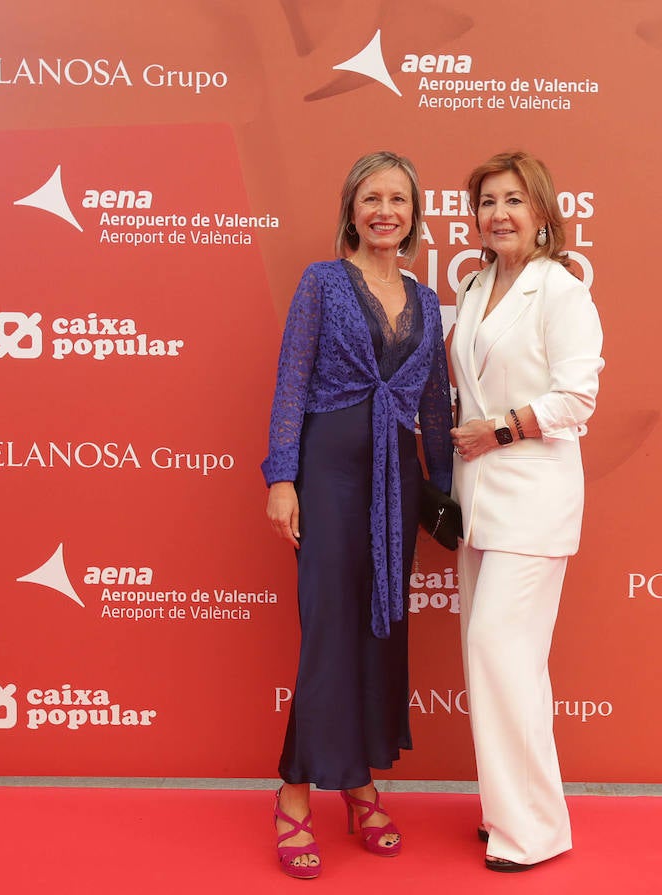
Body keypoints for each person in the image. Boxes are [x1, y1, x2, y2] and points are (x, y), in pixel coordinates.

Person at [261, 151, 454, 880]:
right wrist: (284, 478)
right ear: (351, 208)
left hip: (395, 480)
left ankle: (360, 780)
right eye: (372, 198)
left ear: (413, 213)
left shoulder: (425, 298)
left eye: (398, 200)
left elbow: (433, 405)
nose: (385, 211)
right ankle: (293, 791)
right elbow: (290, 382)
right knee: (330, 632)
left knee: (380, 626)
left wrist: (443, 491)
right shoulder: (322, 282)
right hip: (330, 474)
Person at [448, 151, 604, 872]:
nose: (498, 213)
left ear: (541, 211)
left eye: (513, 200)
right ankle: (510, 811)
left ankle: (533, 830)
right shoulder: (477, 284)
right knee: (499, 665)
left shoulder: (562, 289)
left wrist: (502, 428)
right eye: (486, 201)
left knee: (500, 652)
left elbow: (578, 398)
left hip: (535, 499)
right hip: (477, 502)